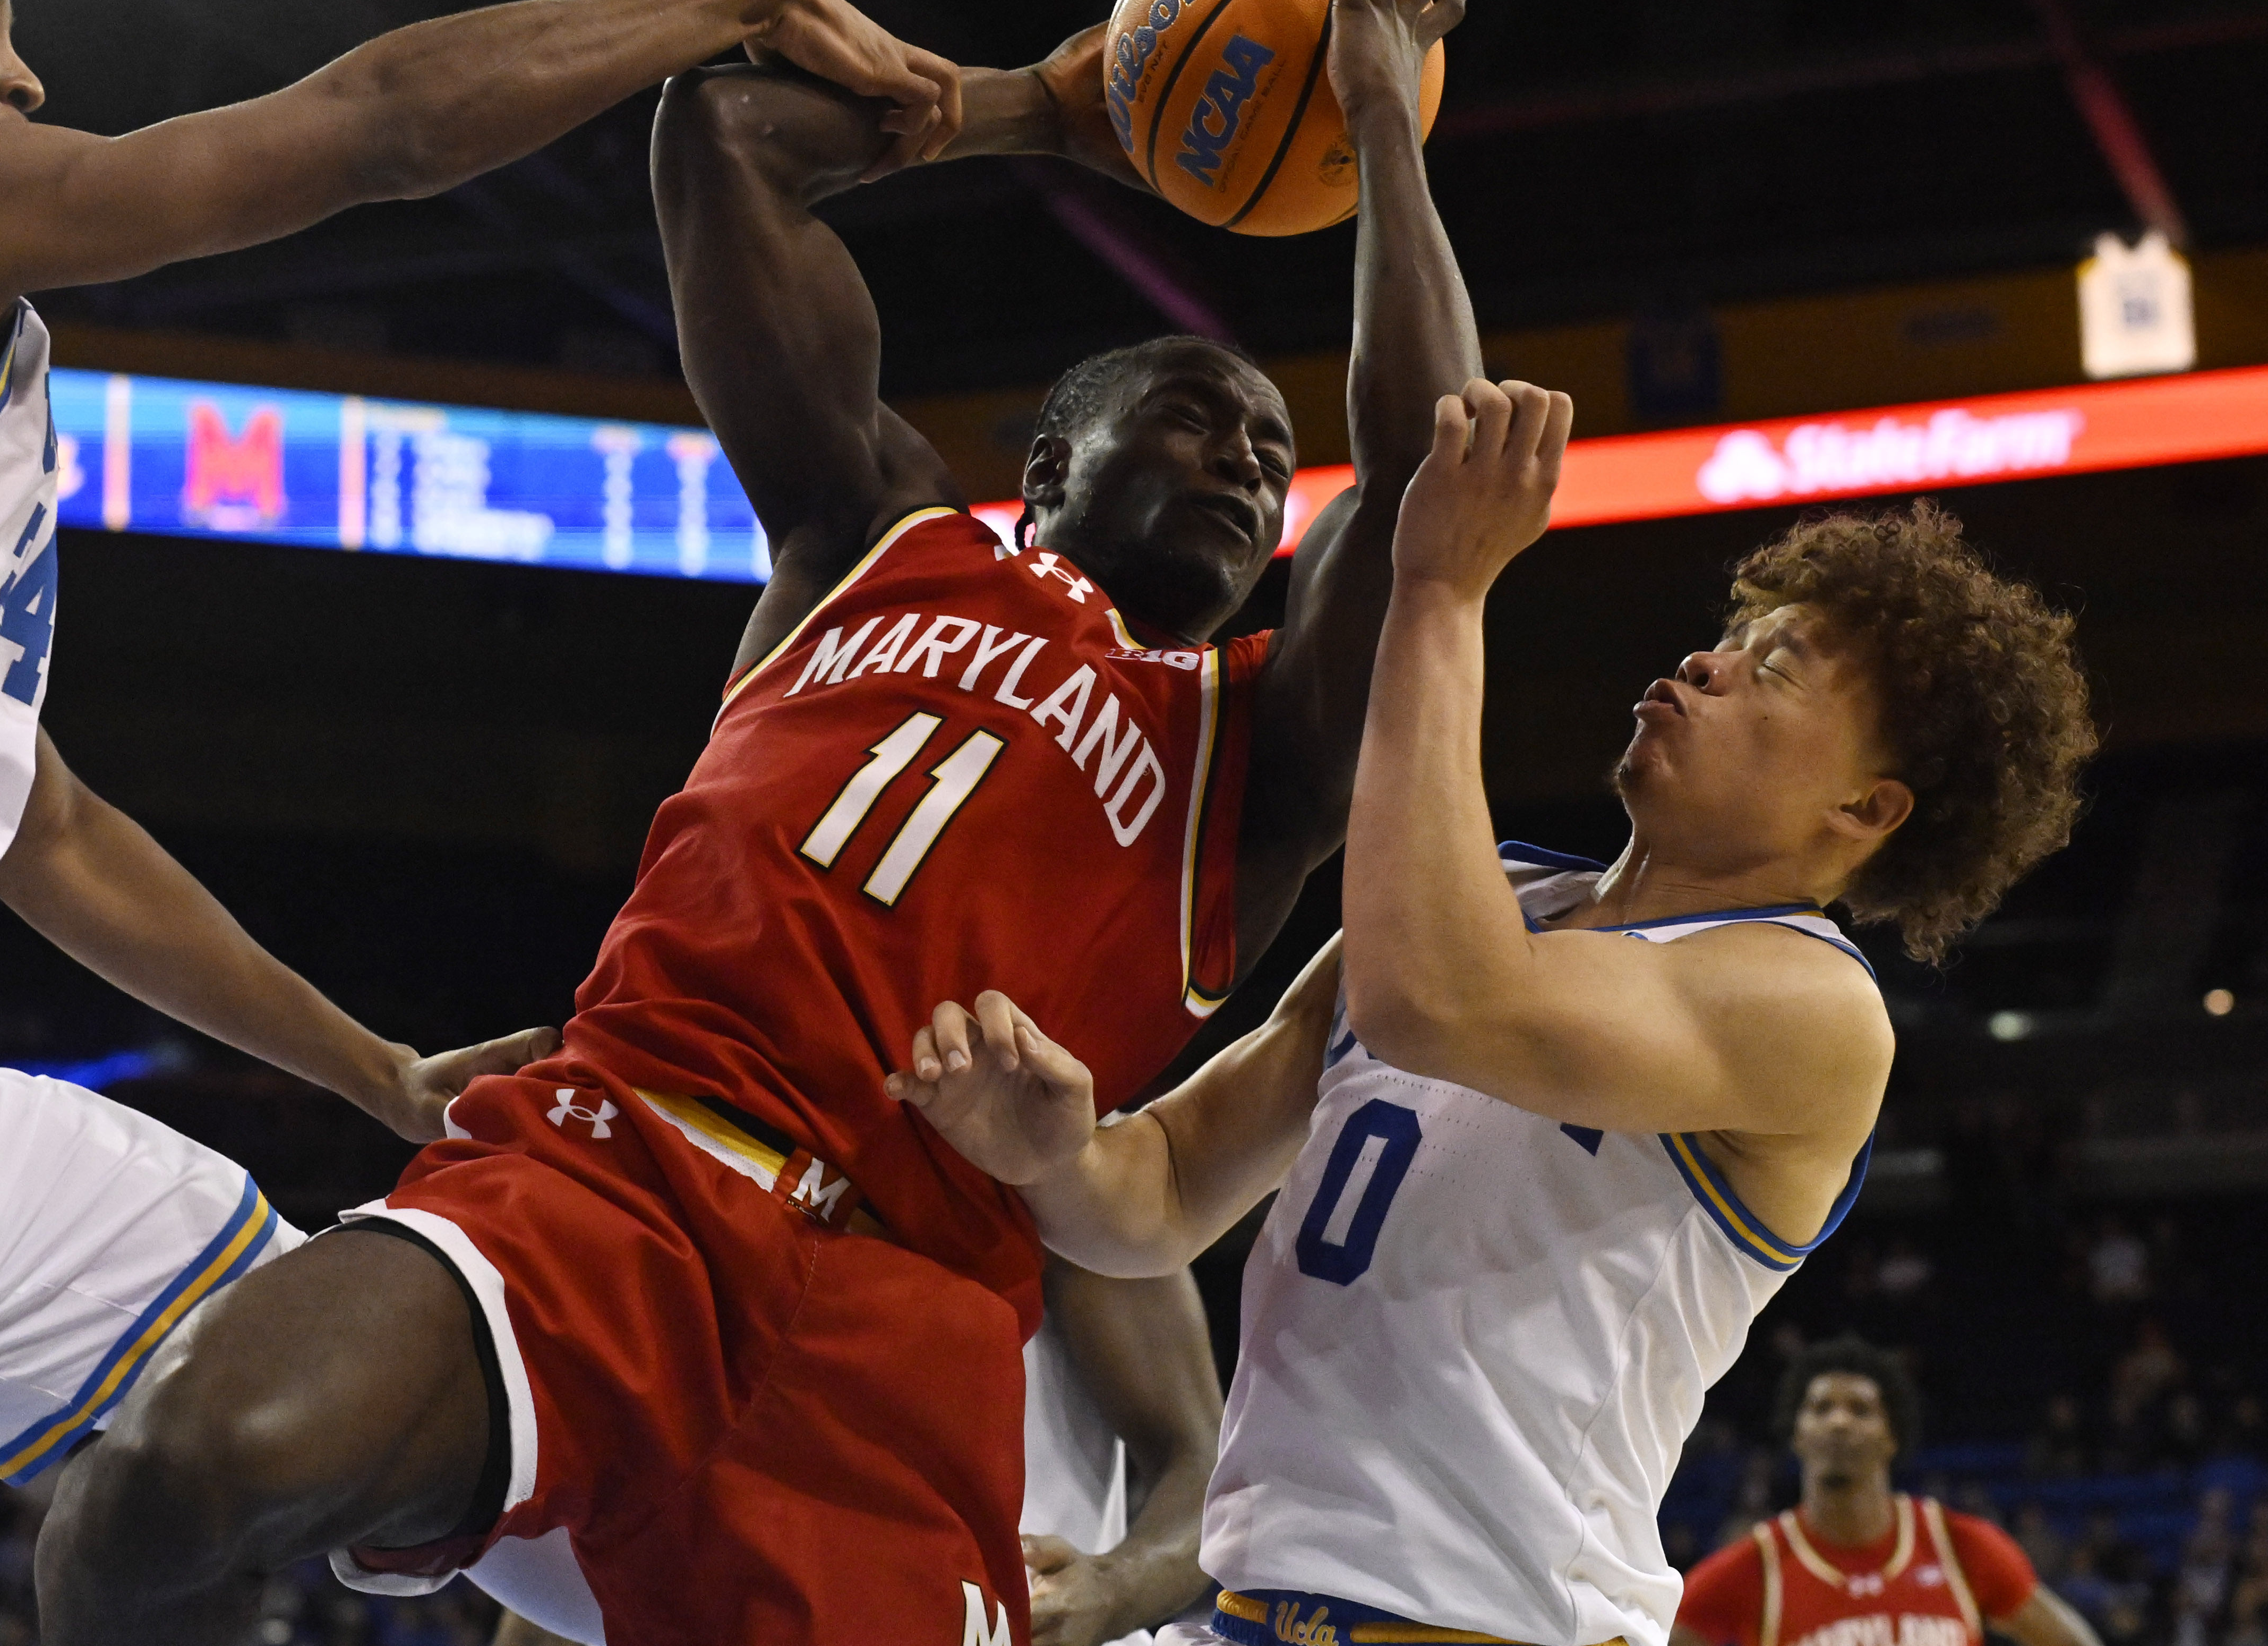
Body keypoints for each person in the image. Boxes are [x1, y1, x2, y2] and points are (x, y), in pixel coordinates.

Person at [0, 0, 958, 1645]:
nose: (24, 76)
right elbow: (374, 128)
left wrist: (377, 1070)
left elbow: (45, 824)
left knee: (352, 1413)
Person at [39, 0, 1472, 1644]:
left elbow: (1430, 470)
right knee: (169, 1486)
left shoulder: (1260, 751)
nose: (1246, 463)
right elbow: (723, 137)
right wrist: (1030, 110)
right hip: (616, 1169)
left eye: (1266, 453)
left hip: (893, 1330)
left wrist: (1380, 122)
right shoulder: (874, 530)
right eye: (1193, 419)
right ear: (1047, 468)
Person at [888, 410, 2096, 1643]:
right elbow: (1157, 1193)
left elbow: (1436, 1001)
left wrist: (1441, 592)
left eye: (1772, 667)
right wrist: (1055, 1151)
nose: (1707, 663)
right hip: (1251, 1612)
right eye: (1730, 635)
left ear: (1864, 808)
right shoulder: (1490, 902)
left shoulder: (1813, 1005)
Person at [485, 1257, 1222, 1646]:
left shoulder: (1054, 1145)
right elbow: (613, 1500)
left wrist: (1113, 1591)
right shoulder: (687, 1156)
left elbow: (1204, 1465)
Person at [1673, 1338, 2103, 1646]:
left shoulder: (1958, 1546)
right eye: (1821, 1408)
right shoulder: (1757, 1566)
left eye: (1861, 1409)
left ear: (1892, 1436)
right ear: (1797, 1434)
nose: (1839, 1422)